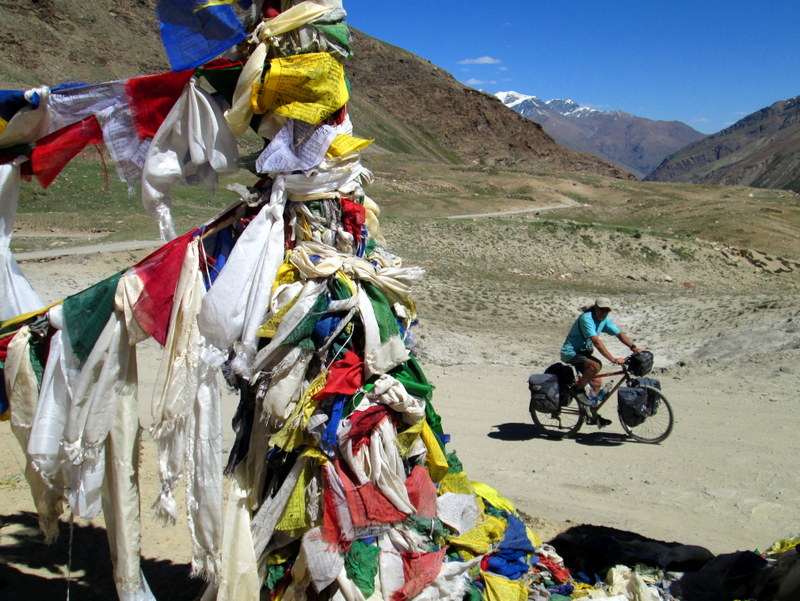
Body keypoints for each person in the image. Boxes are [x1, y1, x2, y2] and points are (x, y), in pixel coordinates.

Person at [560, 297, 643, 426]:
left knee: (597, 382)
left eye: (606, 310)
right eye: (601, 309)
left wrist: (633, 347)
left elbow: (619, 334)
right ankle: (576, 390)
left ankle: (593, 414)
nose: (603, 313)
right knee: (595, 366)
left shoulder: (605, 320)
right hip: (571, 352)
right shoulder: (586, 318)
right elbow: (596, 341)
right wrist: (613, 359)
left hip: (583, 353)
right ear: (595, 308)